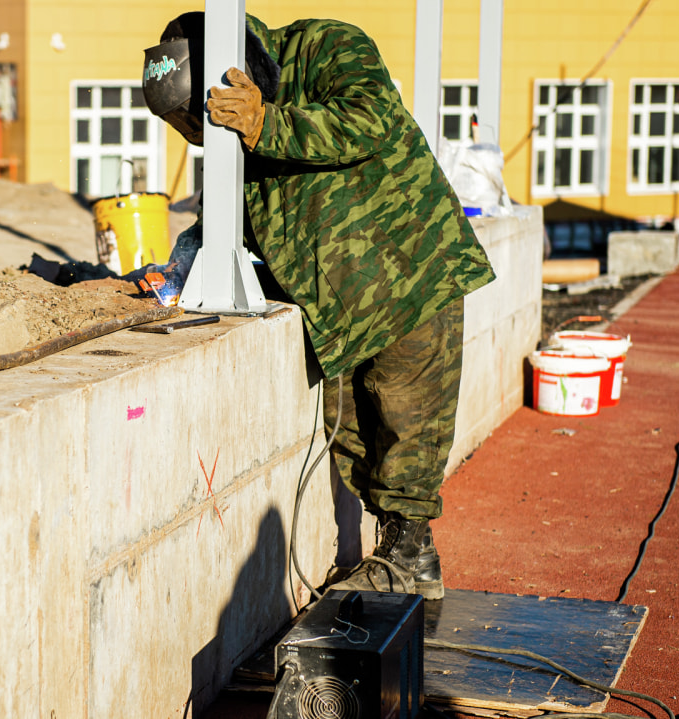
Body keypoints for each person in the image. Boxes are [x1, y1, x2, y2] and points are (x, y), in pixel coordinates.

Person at [141, 13, 495, 599]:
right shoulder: (236, 134)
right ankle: (400, 552)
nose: (195, 133)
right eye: (182, 126)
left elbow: (371, 121)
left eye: (193, 117)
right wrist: (183, 265)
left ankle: (412, 552)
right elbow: (235, 218)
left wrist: (266, 125)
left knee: (408, 416)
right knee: (352, 428)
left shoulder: (327, 47)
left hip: (409, 266)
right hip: (338, 306)